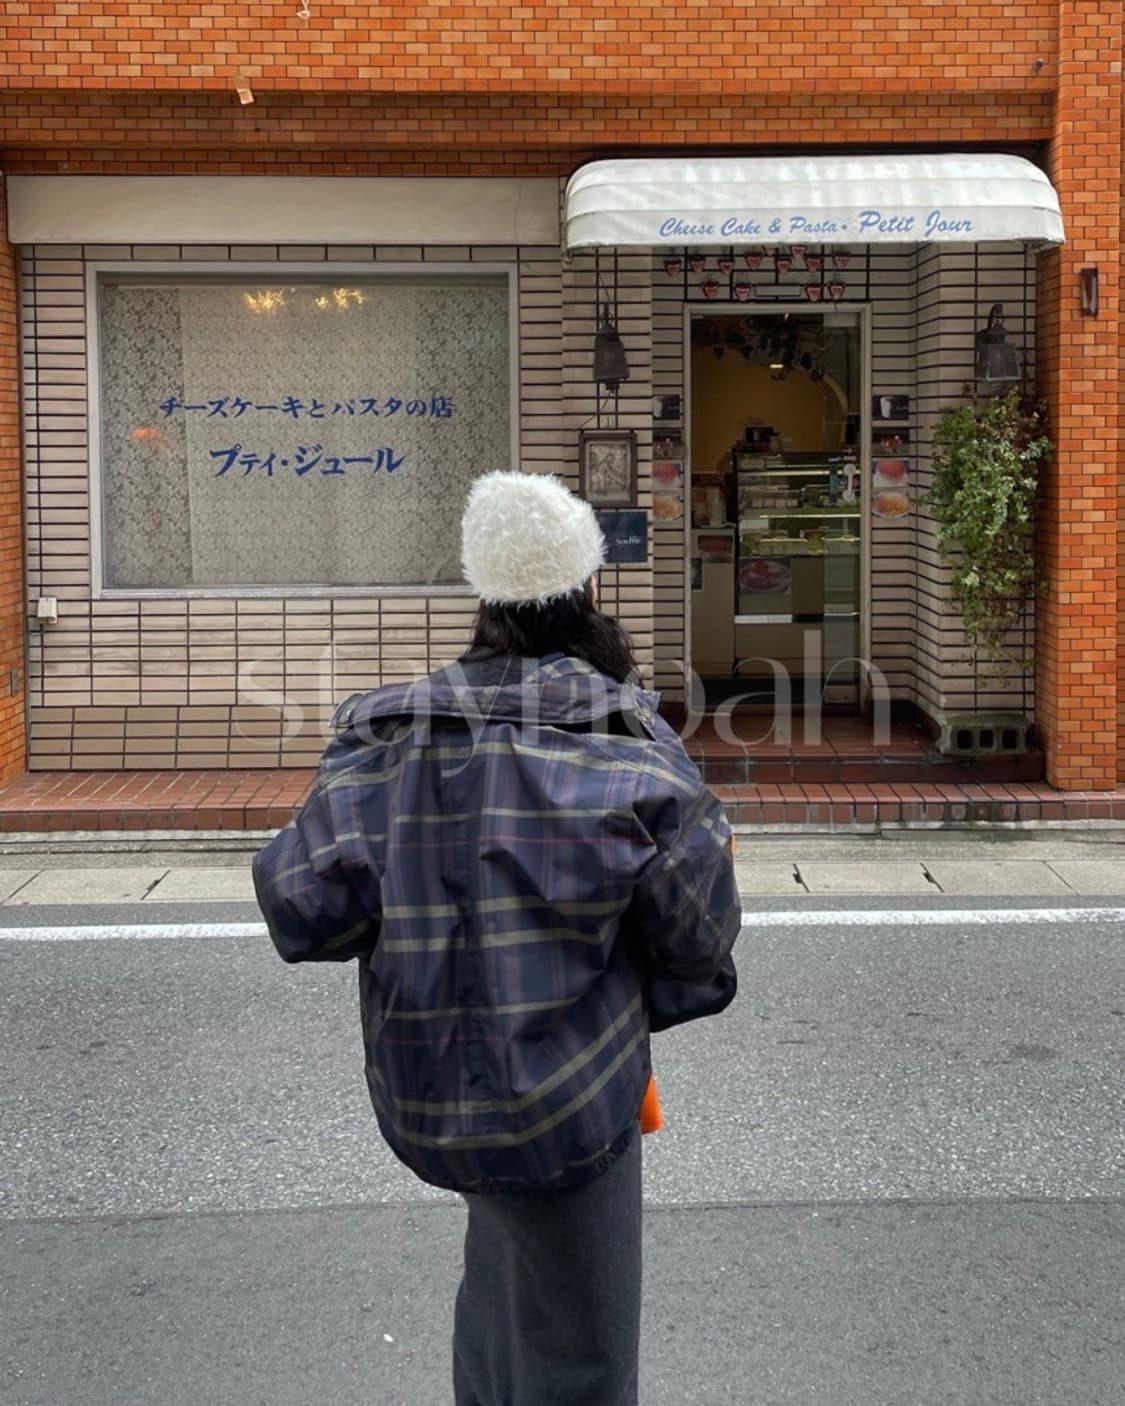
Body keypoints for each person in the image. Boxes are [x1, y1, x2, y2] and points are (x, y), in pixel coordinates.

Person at [253, 469, 740, 1406]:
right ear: (587, 590)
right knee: (581, 1345)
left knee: (498, 1293)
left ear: (482, 597)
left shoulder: (383, 735)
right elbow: (701, 948)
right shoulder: (628, 740)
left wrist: (422, 909)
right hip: (577, 1094)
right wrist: (623, 989)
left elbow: (300, 910)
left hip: (428, 1093)